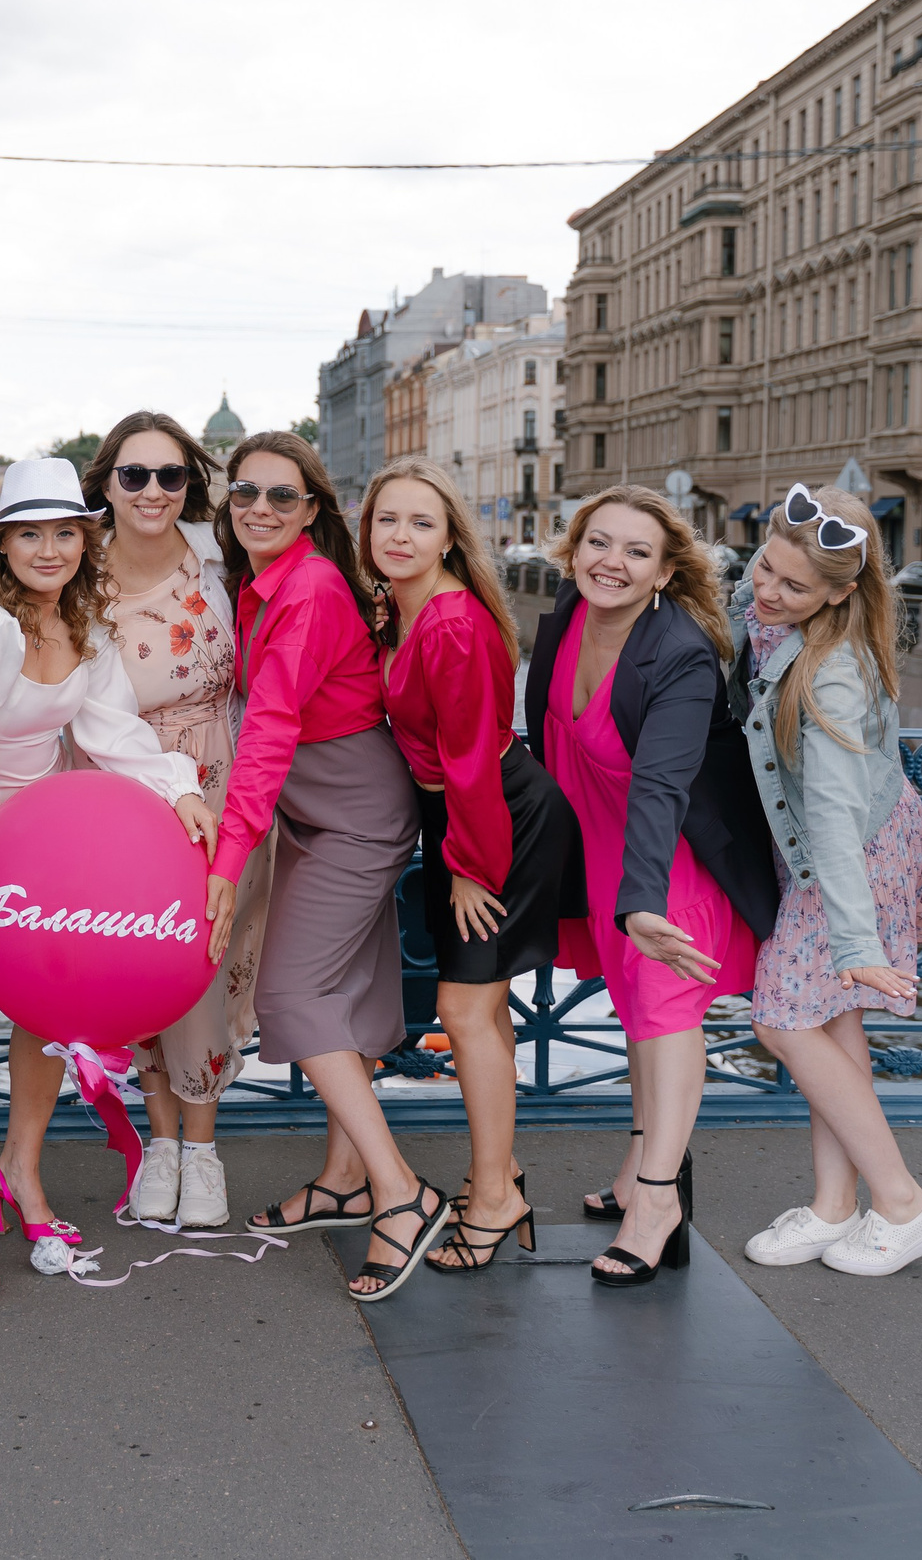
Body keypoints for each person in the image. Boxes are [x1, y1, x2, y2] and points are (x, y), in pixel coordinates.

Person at [0, 457, 214, 1306]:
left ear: (85, 540)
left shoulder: (85, 627)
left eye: (65, 533)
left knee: (47, 1011)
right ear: (2, 544)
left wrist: (180, 790)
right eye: (30, 534)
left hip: (41, 843)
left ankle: (21, 1168)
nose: (49, 549)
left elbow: (114, 733)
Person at [202, 432, 442, 1303]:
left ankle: (401, 1192)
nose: (260, 508)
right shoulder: (260, 580)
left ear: (312, 510)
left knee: (292, 994)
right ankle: (345, 1179)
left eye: (282, 495)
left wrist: (228, 861)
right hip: (323, 808)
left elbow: (269, 731)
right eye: (245, 493)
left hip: (355, 811)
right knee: (350, 993)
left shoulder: (306, 588)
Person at [524, 486, 778, 1288]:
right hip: (602, 847)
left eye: (637, 552)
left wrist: (640, 898)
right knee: (637, 1009)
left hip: (669, 858)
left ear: (665, 572)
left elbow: (662, 786)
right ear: (574, 550)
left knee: (665, 1013)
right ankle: (642, 1164)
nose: (613, 562)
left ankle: (660, 1198)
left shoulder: (681, 653)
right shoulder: (570, 612)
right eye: (599, 542)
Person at [358, 456, 582, 1274]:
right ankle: (500, 1173)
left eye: (421, 522)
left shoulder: (449, 622)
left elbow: (470, 758)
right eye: (387, 519)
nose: (401, 535)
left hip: (493, 815)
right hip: (461, 813)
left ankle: (494, 1199)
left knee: (461, 1009)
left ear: (450, 536)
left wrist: (470, 865)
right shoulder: (401, 604)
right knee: (481, 1010)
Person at [730, 487, 922, 1277]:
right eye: (764, 566)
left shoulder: (833, 674)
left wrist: (857, 942)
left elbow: (830, 814)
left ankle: (903, 1202)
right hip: (827, 844)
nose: (767, 589)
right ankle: (833, 1205)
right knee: (830, 1020)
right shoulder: (771, 603)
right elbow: (744, 593)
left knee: (782, 1018)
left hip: (852, 850)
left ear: (839, 592)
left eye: (792, 585)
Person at [77, 412, 269, 1229]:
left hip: (218, 786)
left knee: (204, 965)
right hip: (122, 790)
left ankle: (203, 1148)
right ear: (106, 484)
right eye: (135, 475)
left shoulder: (220, 559)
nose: (153, 490)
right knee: (143, 964)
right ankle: (161, 1142)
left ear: (190, 483)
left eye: (171, 475)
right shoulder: (76, 572)